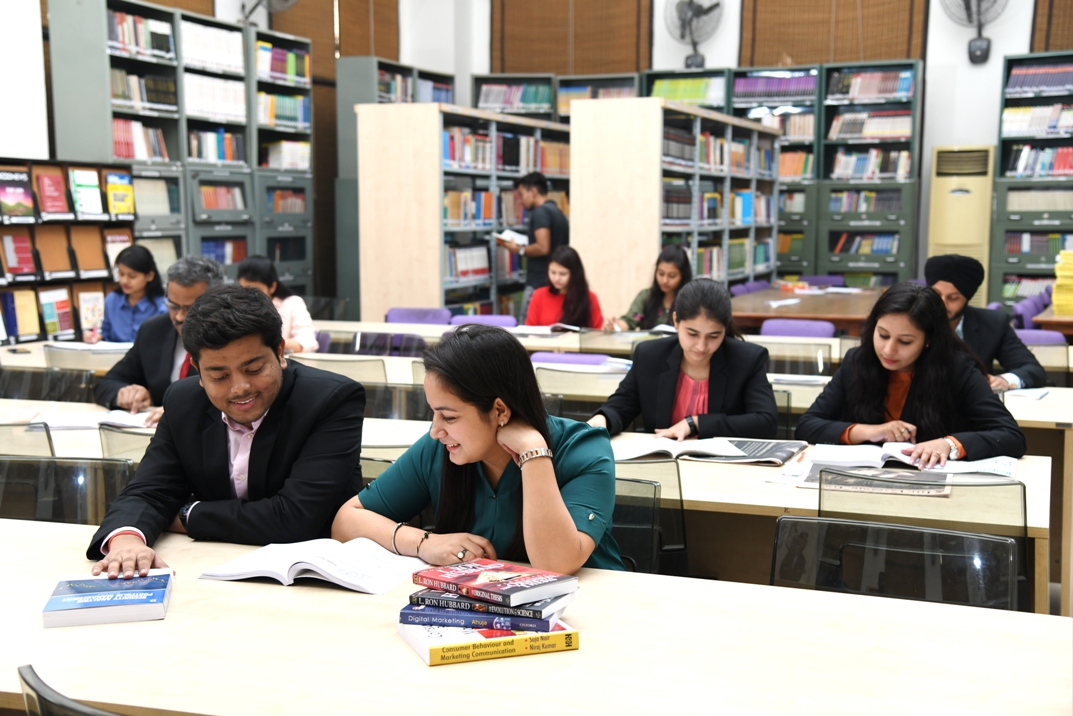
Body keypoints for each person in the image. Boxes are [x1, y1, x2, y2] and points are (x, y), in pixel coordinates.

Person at [88, 285, 366, 578]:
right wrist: (127, 540)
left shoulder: (330, 400)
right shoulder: (183, 401)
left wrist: (188, 515)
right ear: (197, 369)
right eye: (219, 376)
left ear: (279, 352)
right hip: (210, 567)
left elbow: (295, 518)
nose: (239, 388)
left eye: (254, 369)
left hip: (316, 575)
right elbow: (149, 490)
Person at [332, 324, 622, 574]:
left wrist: (533, 452)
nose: (435, 430)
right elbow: (346, 522)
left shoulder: (583, 449)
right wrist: (423, 543)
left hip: (592, 609)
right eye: (433, 413)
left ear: (499, 410)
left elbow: (555, 565)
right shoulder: (439, 448)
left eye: (449, 417)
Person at [795, 282, 1026, 467]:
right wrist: (868, 431)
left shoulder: (958, 369)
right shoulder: (857, 361)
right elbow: (807, 426)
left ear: (928, 340)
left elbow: (1010, 435)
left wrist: (949, 444)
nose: (888, 350)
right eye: (883, 335)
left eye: (905, 342)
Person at [589, 279, 778, 440]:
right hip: (664, 462)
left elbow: (766, 422)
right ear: (676, 321)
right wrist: (600, 421)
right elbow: (621, 406)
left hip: (723, 466)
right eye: (692, 334)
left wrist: (695, 423)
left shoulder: (747, 360)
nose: (701, 346)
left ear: (725, 329)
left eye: (713, 336)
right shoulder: (650, 356)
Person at [93, 255, 224, 425]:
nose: (179, 317)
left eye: (190, 309)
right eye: (173, 306)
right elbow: (107, 383)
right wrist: (124, 393)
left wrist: (178, 410)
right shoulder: (153, 330)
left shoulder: (230, 340)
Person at [925, 253, 1046, 390]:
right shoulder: (913, 321)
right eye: (936, 294)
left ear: (966, 299)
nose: (942, 304)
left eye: (953, 298)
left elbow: (1032, 369)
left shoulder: (993, 324)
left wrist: (1004, 381)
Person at [495, 172, 569, 321]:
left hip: (539, 281)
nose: (521, 201)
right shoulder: (557, 212)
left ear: (533, 191)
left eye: (522, 194)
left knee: (527, 327)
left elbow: (543, 247)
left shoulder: (540, 212)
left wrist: (518, 249)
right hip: (551, 282)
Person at [83, 245, 168, 343]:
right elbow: (106, 335)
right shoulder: (111, 300)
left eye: (132, 276)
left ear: (149, 276)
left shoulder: (163, 307)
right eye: (121, 274)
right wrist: (95, 337)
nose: (124, 281)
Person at [237, 255, 318, 353]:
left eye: (256, 290)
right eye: (243, 289)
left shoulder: (292, 303)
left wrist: (266, 342)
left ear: (272, 287)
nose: (249, 296)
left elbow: (307, 343)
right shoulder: (237, 305)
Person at [604, 245, 693, 331]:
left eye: (672, 276)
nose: (665, 280)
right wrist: (615, 325)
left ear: (683, 276)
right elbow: (629, 321)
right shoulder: (646, 296)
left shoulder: (690, 301)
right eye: (661, 274)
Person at [524, 246, 603, 329]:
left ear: (575, 273)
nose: (557, 278)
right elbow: (529, 330)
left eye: (563, 274)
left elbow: (597, 332)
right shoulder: (538, 295)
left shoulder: (589, 298)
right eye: (553, 272)